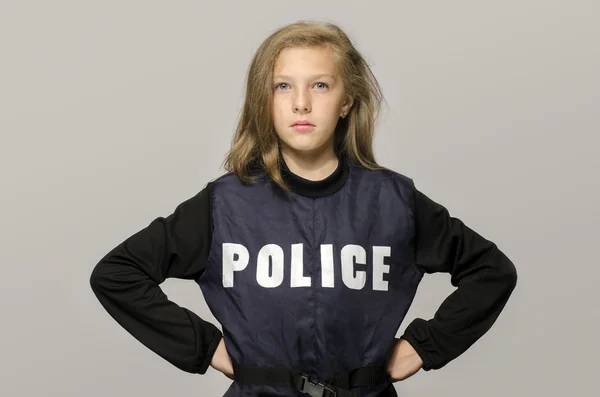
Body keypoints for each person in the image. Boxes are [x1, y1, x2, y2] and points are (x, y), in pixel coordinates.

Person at [89, 20, 518, 397]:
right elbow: (117, 275)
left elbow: (491, 271)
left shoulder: (393, 201)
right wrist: (205, 349)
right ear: (266, 99)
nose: (301, 103)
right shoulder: (227, 204)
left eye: (320, 85)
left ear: (346, 100)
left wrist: (425, 347)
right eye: (283, 86)